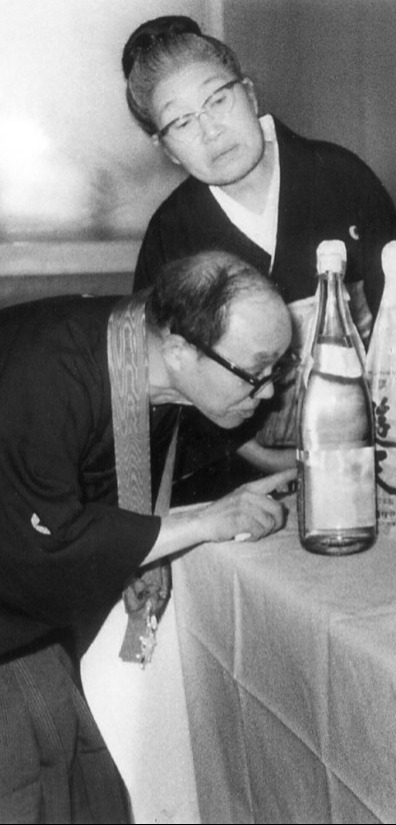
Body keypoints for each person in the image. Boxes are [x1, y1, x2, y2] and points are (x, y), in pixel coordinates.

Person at [0, 250, 296, 822]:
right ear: (182, 350)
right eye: (257, 373)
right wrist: (207, 522)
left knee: (89, 784)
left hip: (26, 621)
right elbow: (43, 543)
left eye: (279, 369)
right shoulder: (50, 371)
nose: (268, 393)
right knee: (24, 783)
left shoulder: (146, 351)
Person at [121, 15, 396, 498]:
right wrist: (264, 458)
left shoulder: (341, 177)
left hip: (371, 456)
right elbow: (162, 382)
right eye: (181, 122)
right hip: (235, 482)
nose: (211, 131)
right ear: (165, 148)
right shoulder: (172, 233)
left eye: (218, 99)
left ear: (249, 95)